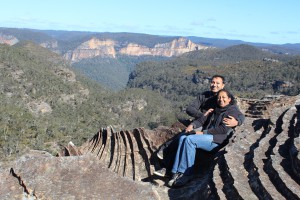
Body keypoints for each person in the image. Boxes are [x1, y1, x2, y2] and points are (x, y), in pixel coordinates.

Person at [153, 75, 244, 178]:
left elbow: (239, 114)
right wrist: (202, 116)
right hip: (203, 123)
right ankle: (169, 165)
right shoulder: (204, 96)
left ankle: (175, 168)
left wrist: (237, 121)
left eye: (217, 83)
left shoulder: (226, 99)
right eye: (213, 82)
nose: (214, 85)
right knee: (183, 136)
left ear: (223, 85)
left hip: (209, 129)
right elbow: (190, 109)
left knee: (187, 139)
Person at [168, 89, 243, 187]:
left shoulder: (231, 111)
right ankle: (176, 172)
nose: (221, 99)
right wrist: (193, 125)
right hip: (207, 137)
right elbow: (202, 119)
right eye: (219, 97)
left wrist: (203, 132)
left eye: (224, 97)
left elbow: (223, 129)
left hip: (216, 139)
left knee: (190, 140)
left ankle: (186, 174)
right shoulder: (215, 108)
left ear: (229, 99)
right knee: (183, 139)